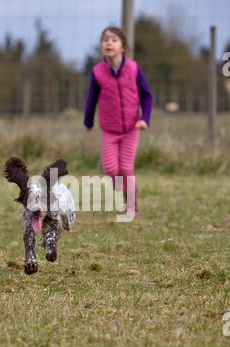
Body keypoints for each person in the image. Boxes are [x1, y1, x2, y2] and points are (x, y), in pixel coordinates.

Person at [84, 26, 153, 216]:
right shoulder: (98, 72)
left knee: (126, 168)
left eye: (114, 39)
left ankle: (132, 206)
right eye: (105, 39)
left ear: (123, 46)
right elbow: (91, 98)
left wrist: (144, 119)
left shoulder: (134, 69)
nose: (108, 42)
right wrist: (88, 121)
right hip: (110, 130)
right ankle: (124, 192)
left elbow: (147, 96)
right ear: (101, 47)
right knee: (111, 169)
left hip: (132, 128)